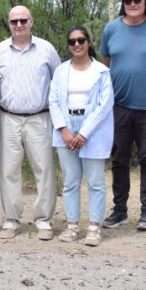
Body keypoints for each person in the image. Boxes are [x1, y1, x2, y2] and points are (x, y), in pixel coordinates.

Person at [99, 0, 146, 231]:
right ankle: (119, 210)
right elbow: (106, 64)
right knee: (119, 158)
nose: (132, 4)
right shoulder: (111, 29)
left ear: (145, 1)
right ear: (123, 3)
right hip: (118, 105)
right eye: (127, 0)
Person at [0, 5, 61, 240]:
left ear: (32, 21)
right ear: (8, 24)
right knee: (9, 170)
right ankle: (11, 220)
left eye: (23, 21)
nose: (18, 25)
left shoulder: (46, 50)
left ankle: (43, 220)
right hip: (8, 117)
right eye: (14, 22)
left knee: (44, 169)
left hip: (40, 117)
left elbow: (58, 82)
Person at [49, 26, 114, 247]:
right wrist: (64, 131)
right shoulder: (60, 71)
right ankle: (72, 226)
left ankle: (94, 227)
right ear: (68, 45)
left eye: (81, 40)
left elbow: (106, 104)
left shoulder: (102, 72)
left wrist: (84, 132)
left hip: (93, 130)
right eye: (72, 41)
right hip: (66, 128)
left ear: (88, 42)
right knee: (70, 182)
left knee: (95, 181)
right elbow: (54, 101)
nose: (77, 44)